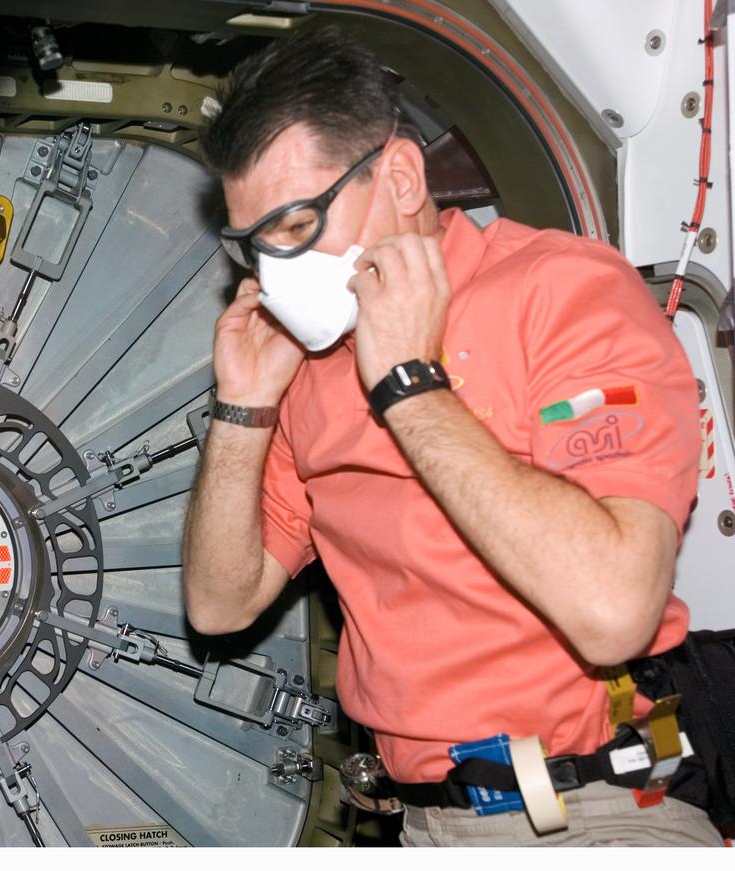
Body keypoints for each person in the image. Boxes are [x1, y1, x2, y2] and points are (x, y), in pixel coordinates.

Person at [184, 26, 722, 846]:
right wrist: (244, 406)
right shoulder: (309, 369)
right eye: (251, 246)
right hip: (421, 823)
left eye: (296, 227)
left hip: (592, 811)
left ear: (399, 176)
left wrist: (407, 382)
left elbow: (614, 609)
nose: (271, 273)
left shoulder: (562, 295)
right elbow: (220, 604)